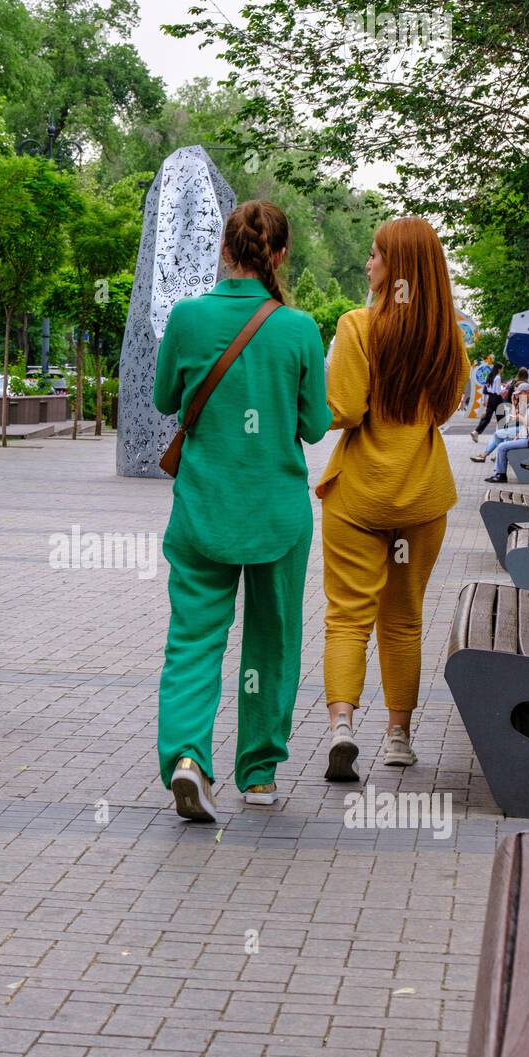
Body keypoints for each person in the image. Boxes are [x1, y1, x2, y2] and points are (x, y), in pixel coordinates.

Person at [154, 200, 331, 821]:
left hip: (203, 509)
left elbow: (164, 398)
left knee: (194, 641)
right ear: (279, 256)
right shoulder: (300, 329)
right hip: (277, 516)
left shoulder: (188, 317)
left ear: (224, 251)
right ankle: (257, 773)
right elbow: (314, 425)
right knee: (272, 641)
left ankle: (185, 759)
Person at [318, 217, 470, 781]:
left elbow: (347, 410)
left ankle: (340, 726)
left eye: (377, 256)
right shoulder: (447, 339)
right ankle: (399, 737)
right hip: (423, 500)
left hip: (358, 499)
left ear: (398, 268)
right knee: (403, 621)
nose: (369, 264)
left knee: (347, 617)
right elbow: (444, 411)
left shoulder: (357, 327)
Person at [471, 377, 529, 462]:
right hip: (522, 428)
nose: (516, 395)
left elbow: (517, 419)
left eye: (518, 393)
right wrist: (514, 402)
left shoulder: (524, 400)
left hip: (523, 429)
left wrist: (514, 404)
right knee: (501, 433)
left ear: (526, 392)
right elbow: (515, 417)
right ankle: (492, 455)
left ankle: (490, 455)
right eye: (515, 393)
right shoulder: (521, 399)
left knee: (500, 434)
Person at [485, 392, 529, 482]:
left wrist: (521, 418)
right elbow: (521, 423)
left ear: (528, 392)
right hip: (528, 437)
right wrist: (518, 436)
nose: (518, 396)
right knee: (505, 441)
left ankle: (501, 475)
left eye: (520, 394)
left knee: (502, 446)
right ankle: (499, 471)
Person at [470, 359, 504, 440]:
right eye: (502, 368)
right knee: (501, 417)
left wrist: (485, 400)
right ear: (499, 369)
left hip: (491, 399)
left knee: (487, 417)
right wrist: (503, 388)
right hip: (497, 399)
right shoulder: (498, 377)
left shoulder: (490, 376)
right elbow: (498, 392)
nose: (502, 370)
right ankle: (502, 434)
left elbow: (486, 390)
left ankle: (476, 431)